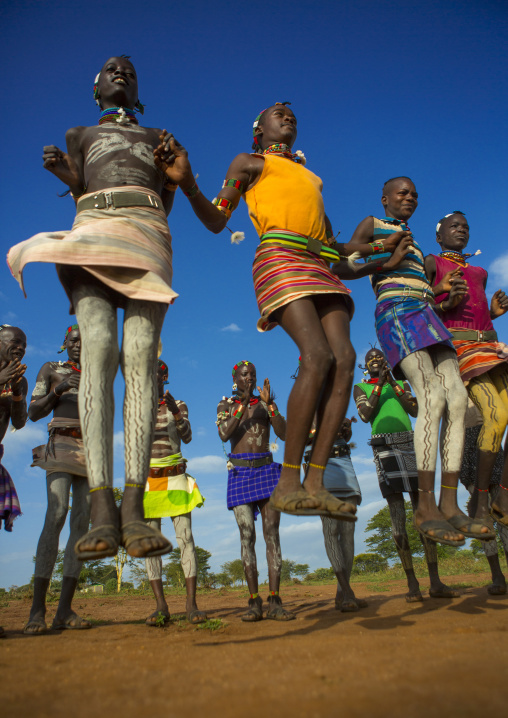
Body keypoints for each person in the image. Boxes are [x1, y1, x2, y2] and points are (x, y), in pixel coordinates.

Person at [156, 103, 404, 518]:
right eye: (277, 113)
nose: (288, 116)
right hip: (279, 256)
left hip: (318, 264)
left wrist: (382, 256)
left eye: (293, 115)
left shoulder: (311, 178)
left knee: (344, 359)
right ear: (259, 128)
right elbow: (218, 219)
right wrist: (186, 186)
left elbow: (335, 249)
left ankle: (314, 482)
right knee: (318, 356)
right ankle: (288, 482)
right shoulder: (249, 162)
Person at [7, 56, 191, 559]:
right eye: (111, 69)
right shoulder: (78, 134)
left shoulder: (159, 135)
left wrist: (174, 177)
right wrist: (68, 174)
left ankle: (134, 507)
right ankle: (103, 507)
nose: (121, 73)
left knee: (141, 351)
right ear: (96, 88)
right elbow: (83, 193)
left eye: (130, 70)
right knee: (100, 348)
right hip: (92, 230)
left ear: (138, 87)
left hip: (149, 232)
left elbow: (165, 200)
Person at [341, 177, 492, 546]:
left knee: (458, 399)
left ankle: (450, 502)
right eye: (402, 193)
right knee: (433, 397)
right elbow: (343, 263)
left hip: (427, 312)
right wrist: (386, 257)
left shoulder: (414, 238)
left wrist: (438, 292)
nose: (409, 197)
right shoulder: (374, 224)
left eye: (414, 194)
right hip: (396, 311)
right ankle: (425, 506)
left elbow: (420, 283)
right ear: (385, 199)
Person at [354, 348, 459, 601]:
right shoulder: (361, 387)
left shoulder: (400, 383)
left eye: (379, 357)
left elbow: (414, 410)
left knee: (423, 512)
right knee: (397, 517)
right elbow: (365, 414)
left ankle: (435, 581)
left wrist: (394, 384)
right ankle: (412, 583)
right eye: (370, 359)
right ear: (365, 366)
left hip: (410, 444)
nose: (375, 360)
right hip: (384, 448)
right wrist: (379, 385)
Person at [426, 210, 508, 529]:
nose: (460, 230)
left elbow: (475, 316)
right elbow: (414, 302)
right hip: (462, 350)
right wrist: (442, 301)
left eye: (465, 227)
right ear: (439, 235)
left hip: (492, 345)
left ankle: (501, 495)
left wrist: (493, 312)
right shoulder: (433, 263)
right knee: (498, 416)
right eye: (453, 226)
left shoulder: (479, 272)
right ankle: (482, 499)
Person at [24, 325, 92, 634]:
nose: (79, 345)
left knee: (81, 524)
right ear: (64, 343)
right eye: (74, 340)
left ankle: (64, 609)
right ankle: (37, 610)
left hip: (90, 449)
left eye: (84, 341)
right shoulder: (51, 369)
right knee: (57, 513)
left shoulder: (95, 371)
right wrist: (59, 389)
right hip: (60, 444)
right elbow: (33, 412)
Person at [216, 360, 293, 621]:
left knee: (272, 534)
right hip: (239, 473)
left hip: (266, 471)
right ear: (235, 378)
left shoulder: (265, 403)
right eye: (245, 375)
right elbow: (224, 435)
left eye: (253, 375)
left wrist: (270, 405)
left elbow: (282, 433)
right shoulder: (225, 405)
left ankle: (275, 600)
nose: (250, 378)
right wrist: (242, 404)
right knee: (247, 534)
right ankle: (253, 601)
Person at [143, 360, 206, 625]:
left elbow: (188, 437)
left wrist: (176, 415)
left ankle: (191, 605)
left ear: (164, 376)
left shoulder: (178, 404)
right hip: (148, 480)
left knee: (186, 538)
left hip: (176, 477)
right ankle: (161, 606)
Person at [305, 416, 367, 611]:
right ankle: (348, 593)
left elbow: (346, 437)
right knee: (331, 530)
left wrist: (345, 428)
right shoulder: (303, 403)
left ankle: (342, 593)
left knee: (348, 533)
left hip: (344, 464)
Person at [460, 400, 507, 595]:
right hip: (464, 443)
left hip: (489, 435)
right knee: (482, 514)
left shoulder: (480, 376)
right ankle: (497, 575)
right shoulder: (446, 382)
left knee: (503, 511)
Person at [0, 324, 27, 638]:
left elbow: (19, 421)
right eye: (14, 342)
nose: (19, 347)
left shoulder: (16, 377)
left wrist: (16, 390)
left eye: (23, 344)